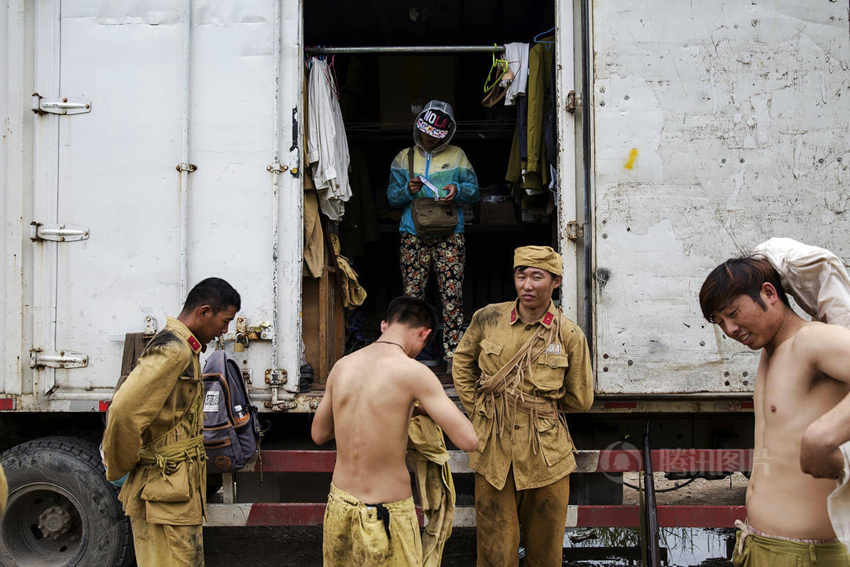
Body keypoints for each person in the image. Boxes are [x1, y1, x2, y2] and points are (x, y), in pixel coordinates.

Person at [699, 255, 850, 566]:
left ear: (769, 293)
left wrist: (822, 435)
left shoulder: (810, 341)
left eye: (733, 313)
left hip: (805, 557)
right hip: (758, 545)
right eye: (720, 322)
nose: (730, 329)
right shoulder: (772, 353)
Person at [452, 245, 594, 567]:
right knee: (494, 554)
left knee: (545, 555)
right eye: (521, 275)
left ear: (555, 282)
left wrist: (539, 408)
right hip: (493, 454)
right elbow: (462, 362)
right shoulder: (488, 319)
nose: (527, 285)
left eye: (537, 277)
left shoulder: (569, 334)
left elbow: (581, 398)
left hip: (546, 457)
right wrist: (479, 409)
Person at [312, 296, 478, 567]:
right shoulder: (414, 373)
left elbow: (319, 434)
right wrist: (422, 410)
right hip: (387, 514)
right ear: (424, 334)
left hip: (340, 506)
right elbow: (468, 440)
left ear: (384, 326)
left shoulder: (342, 366)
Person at [102, 277, 241, 567]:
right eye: (224, 321)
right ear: (204, 312)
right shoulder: (173, 351)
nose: (224, 331)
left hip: (173, 491)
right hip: (164, 493)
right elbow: (124, 412)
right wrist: (120, 467)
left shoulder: (183, 347)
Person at [386, 99, 480, 367]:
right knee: (413, 296)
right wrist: (408, 191)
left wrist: (457, 190)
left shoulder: (458, 155)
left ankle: (453, 356)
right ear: (419, 128)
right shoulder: (404, 158)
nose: (428, 138)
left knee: (452, 297)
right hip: (412, 233)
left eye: (434, 134)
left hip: (451, 234)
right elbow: (392, 197)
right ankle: (415, 354)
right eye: (425, 132)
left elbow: (474, 192)